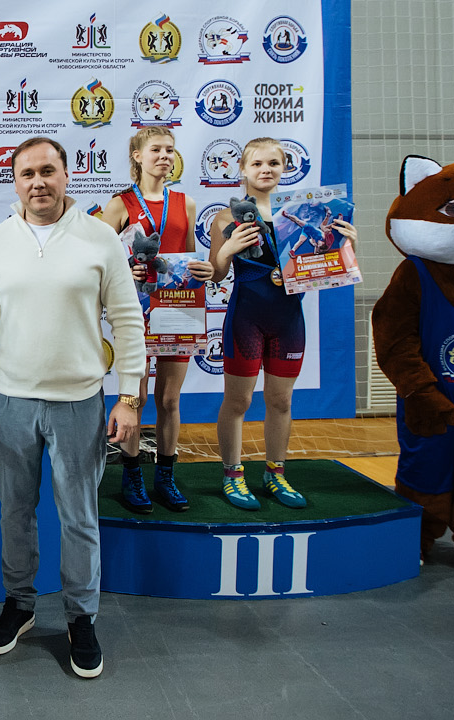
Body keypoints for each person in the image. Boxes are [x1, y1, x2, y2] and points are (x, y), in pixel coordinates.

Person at [0, 137, 146, 680]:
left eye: (47, 171)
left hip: (79, 402)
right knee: (15, 512)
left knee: (79, 517)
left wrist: (129, 396)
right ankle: (19, 604)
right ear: (15, 182)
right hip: (10, 400)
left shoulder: (100, 238)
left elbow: (127, 319)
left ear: (67, 175)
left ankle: (80, 618)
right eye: (27, 174)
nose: (38, 182)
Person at [208, 138, 358, 509]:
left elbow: (330, 266)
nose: (266, 170)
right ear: (243, 169)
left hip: (289, 320)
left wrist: (347, 245)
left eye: (274, 163)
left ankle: (275, 473)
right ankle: (232, 475)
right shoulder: (227, 217)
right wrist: (228, 248)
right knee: (239, 400)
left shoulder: (307, 213)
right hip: (246, 319)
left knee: (281, 400)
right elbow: (216, 274)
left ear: (285, 168)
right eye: (257, 163)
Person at [98, 126, 215, 514]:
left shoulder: (187, 203)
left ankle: (165, 475)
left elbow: (188, 259)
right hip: (137, 313)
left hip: (178, 310)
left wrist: (203, 270)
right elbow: (99, 258)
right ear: (137, 155)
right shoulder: (120, 204)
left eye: (169, 150)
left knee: (169, 399)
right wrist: (125, 269)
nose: (164, 156)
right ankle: (132, 474)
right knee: (137, 396)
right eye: (155, 150)